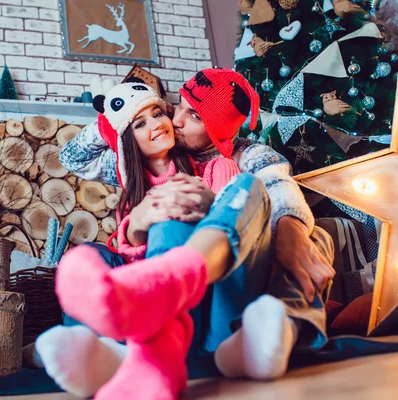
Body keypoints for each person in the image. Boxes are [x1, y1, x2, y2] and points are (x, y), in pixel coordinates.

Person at [37, 69, 335, 399]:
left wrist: (289, 229)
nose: (173, 120)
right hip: (170, 292)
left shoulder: (233, 160)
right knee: (91, 255)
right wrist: (122, 108)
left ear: (217, 131)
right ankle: (110, 349)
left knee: (308, 231)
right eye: (176, 105)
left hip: (219, 293)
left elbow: (277, 184)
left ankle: (185, 319)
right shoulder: (136, 164)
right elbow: (72, 157)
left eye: (192, 114)